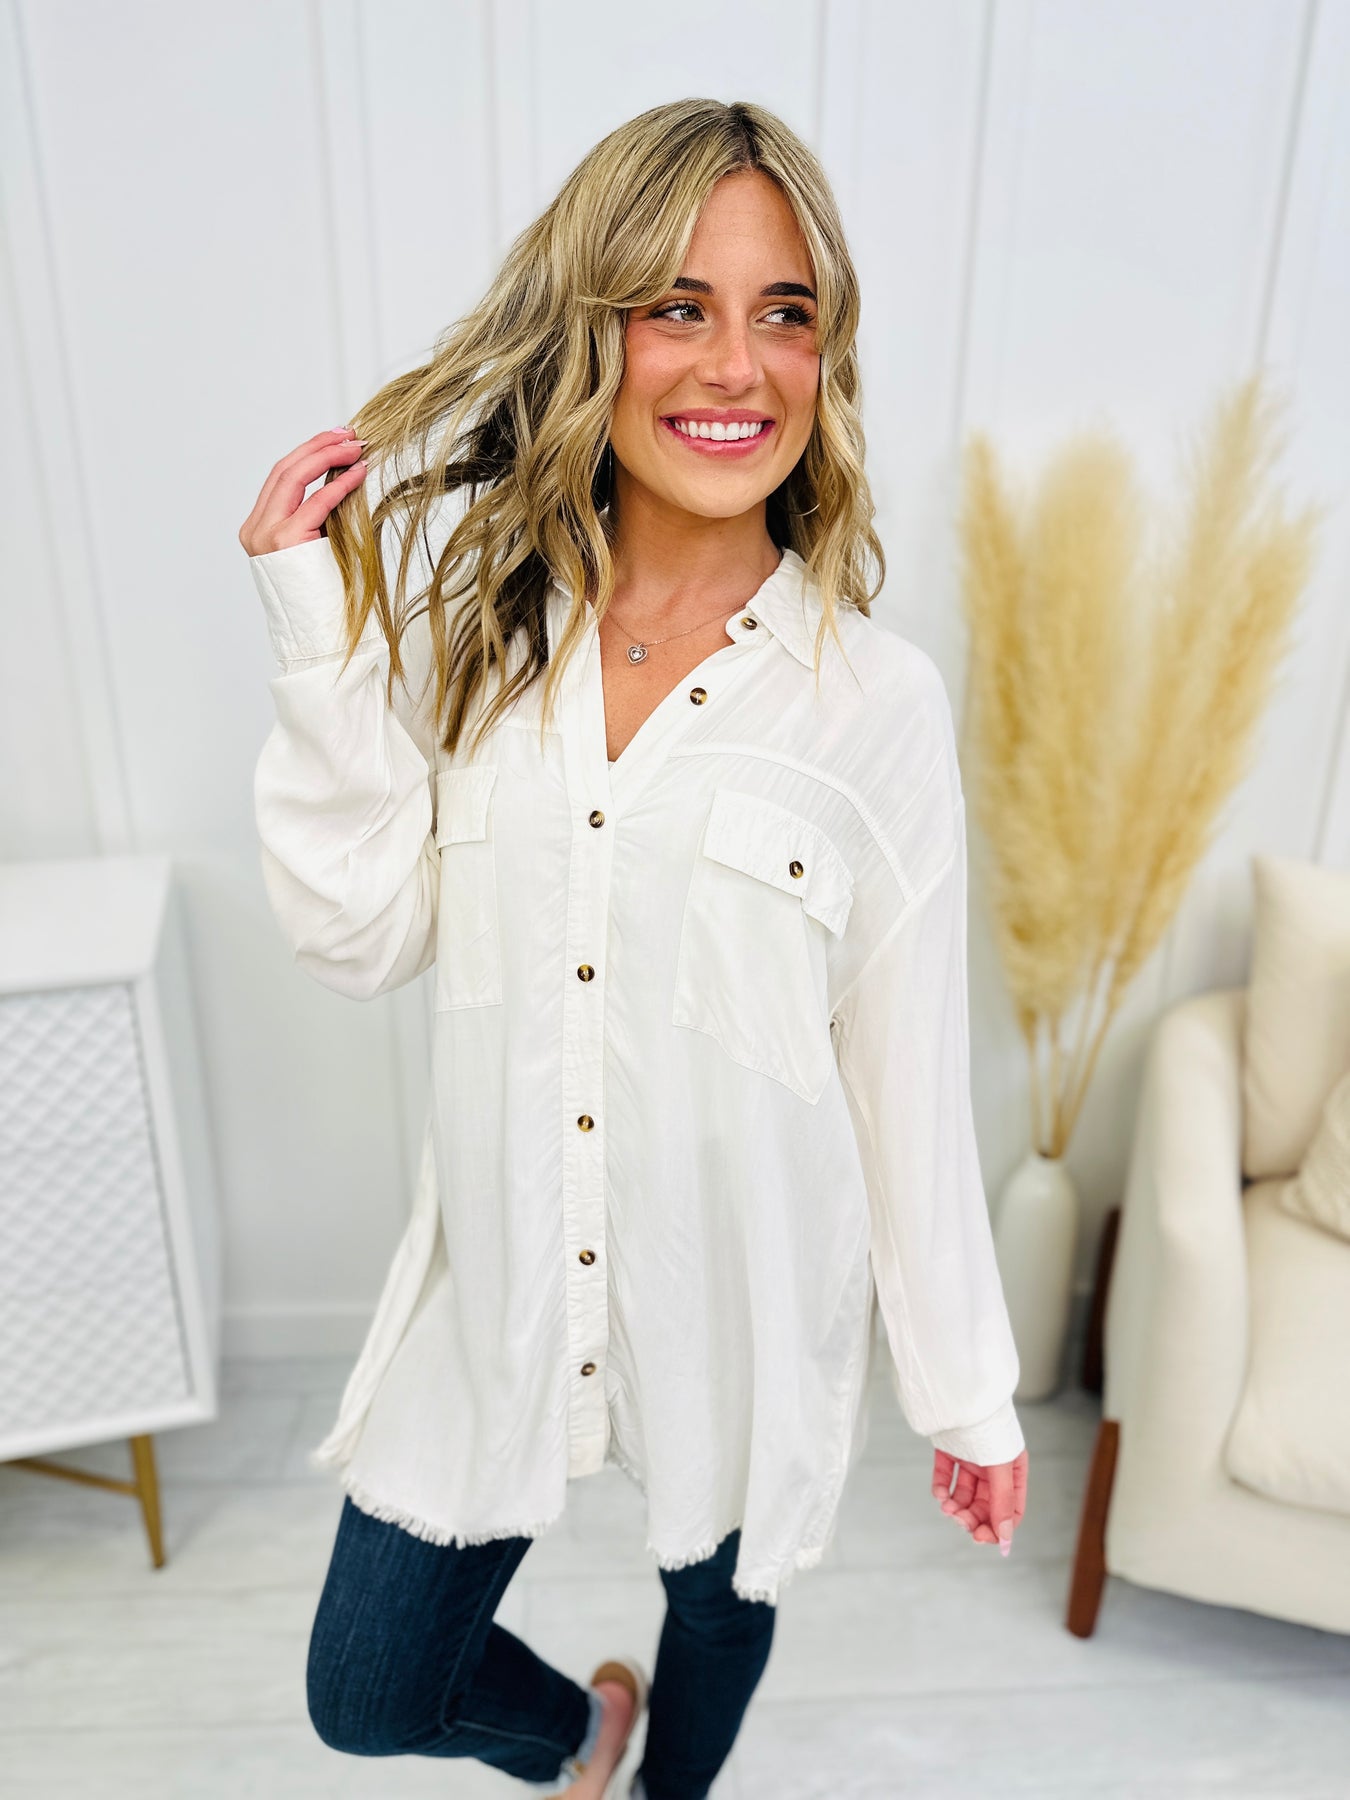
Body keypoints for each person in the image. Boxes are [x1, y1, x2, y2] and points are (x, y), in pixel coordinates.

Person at [238, 96, 1029, 1800]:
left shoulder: (873, 703)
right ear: (589, 331)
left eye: (783, 312)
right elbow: (360, 934)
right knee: (369, 1691)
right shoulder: (482, 640)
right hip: (501, 1285)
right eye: (678, 305)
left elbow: (903, 1076)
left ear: (824, 357)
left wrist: (966, 1393)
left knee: (718, 1612)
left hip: (745, 1299)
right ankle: (577, 1737)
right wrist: (316, 628)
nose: (736, 365)